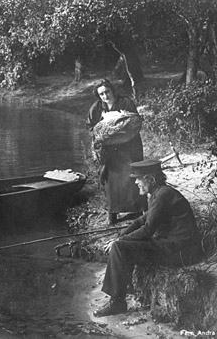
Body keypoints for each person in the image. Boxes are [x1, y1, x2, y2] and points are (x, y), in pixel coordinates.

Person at [93, 159, 204, 317]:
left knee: (120, 248)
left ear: (151, 179)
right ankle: (125, 286)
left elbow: (147, 230)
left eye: (138, 179)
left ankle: (117, 302)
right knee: (122, 244)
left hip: (180, 251)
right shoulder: (160, 193)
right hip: (175, 246)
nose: (136, 183)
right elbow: (141, 220)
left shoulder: (162, 196)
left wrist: (119, 242)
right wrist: (120, 236)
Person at [86, 79, 146, 225]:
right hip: (110, 149)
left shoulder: (125, 102)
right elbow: (91, 126)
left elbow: (136, 121)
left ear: (112, 91)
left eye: (107, 92)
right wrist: (104, 130)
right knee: (111, 180)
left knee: (132, 176)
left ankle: (137, 210)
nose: (105, 96)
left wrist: (121, 125)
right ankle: (113, 213)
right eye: (101, 94)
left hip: (129, 146)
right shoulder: (97, 107)